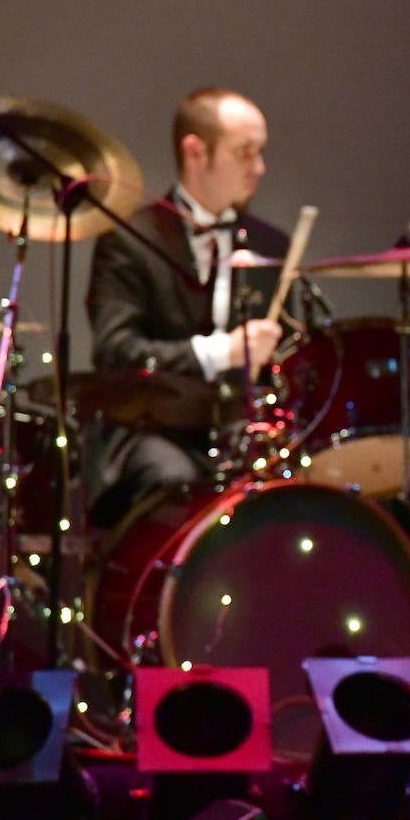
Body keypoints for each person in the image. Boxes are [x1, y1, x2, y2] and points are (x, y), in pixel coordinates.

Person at [86, 87, 287, 528]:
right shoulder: (129, 240)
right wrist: (221, 353)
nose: (259, 168)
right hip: (154, 432)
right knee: (173, 480)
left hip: (239, 432)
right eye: (244, 153)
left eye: (260, 153)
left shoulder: (271, 246)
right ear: (196, 152)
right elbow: (115, 352)